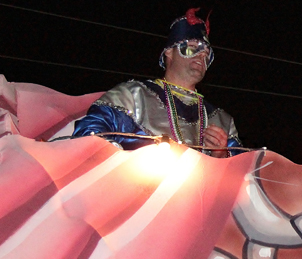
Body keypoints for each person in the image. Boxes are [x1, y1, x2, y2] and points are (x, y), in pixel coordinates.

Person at [73, 8, 242, 157]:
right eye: (192, 47)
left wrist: (221, 155)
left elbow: (243, 175)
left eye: (206, 54)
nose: (201, 56)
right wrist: (123, 161)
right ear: (169, 52)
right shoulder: (133, 95)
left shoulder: (222, 120)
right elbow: (89, 135)